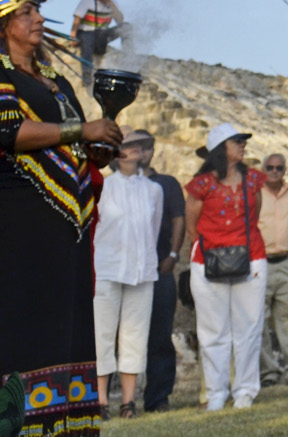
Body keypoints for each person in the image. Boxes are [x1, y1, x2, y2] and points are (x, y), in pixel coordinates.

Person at [0, 0, 120, 433]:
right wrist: (79, 128)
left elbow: (66, 142)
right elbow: (7, 132)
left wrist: (95, 149)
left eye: (36, 10)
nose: (37, 18)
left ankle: (65, 424)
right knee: (18, 323)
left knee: (63, 324)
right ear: (1, 26)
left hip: (62, 225)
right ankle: (15, 422)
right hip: (16, 222)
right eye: (26, 12)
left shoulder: (56, 79)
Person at [184, 123, 268, 410]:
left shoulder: (253, 179)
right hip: (208, 261)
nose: (243, 145)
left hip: (251, 256)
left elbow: (254, 214)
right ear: (222, 149)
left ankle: (245, 391)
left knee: (249, 327)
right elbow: (191, 225)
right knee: (212, 330)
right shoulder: (201, 184)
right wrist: (214, 247)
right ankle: (217, 393)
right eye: (238, 141)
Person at [94, 130, 164, 417]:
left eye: (139, 146)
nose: (135, 150)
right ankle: (100, 401)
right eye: (128, 146)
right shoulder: (103, 187)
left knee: (135, 335)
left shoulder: (153, 190)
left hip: (141, 271)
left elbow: (154, 229)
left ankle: (128, 401)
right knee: (102, 335)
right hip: (106, 268)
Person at [129, 130, 187, 412]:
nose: (141, 152)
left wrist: (174, 255)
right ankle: (118, 399)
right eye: (134, 146)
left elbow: (178, 219)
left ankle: (157, 398)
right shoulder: (117, 184)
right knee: (122, 334)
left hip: (160, 265)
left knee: (160, 335)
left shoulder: (166, 184)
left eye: (147, 146)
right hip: (126, 270)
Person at [257, 151, 288, 386]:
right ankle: (268, 373)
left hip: (287, 262)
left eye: (279, 168)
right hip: (261, 263)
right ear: (264, 169)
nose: (274, 172)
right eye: (270, 167)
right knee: (259, 320)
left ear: (284, 171)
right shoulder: (256, 193)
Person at [70, 0, 125, 88]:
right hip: (86, 32)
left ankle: (128, 55)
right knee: (87, 41)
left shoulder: (112, 4)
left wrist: (110, 3)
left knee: (127, 27)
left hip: (102, 35)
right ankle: (86, 76)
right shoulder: (88, 0)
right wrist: (73, 34)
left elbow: (120, 20)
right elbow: (77, 18)